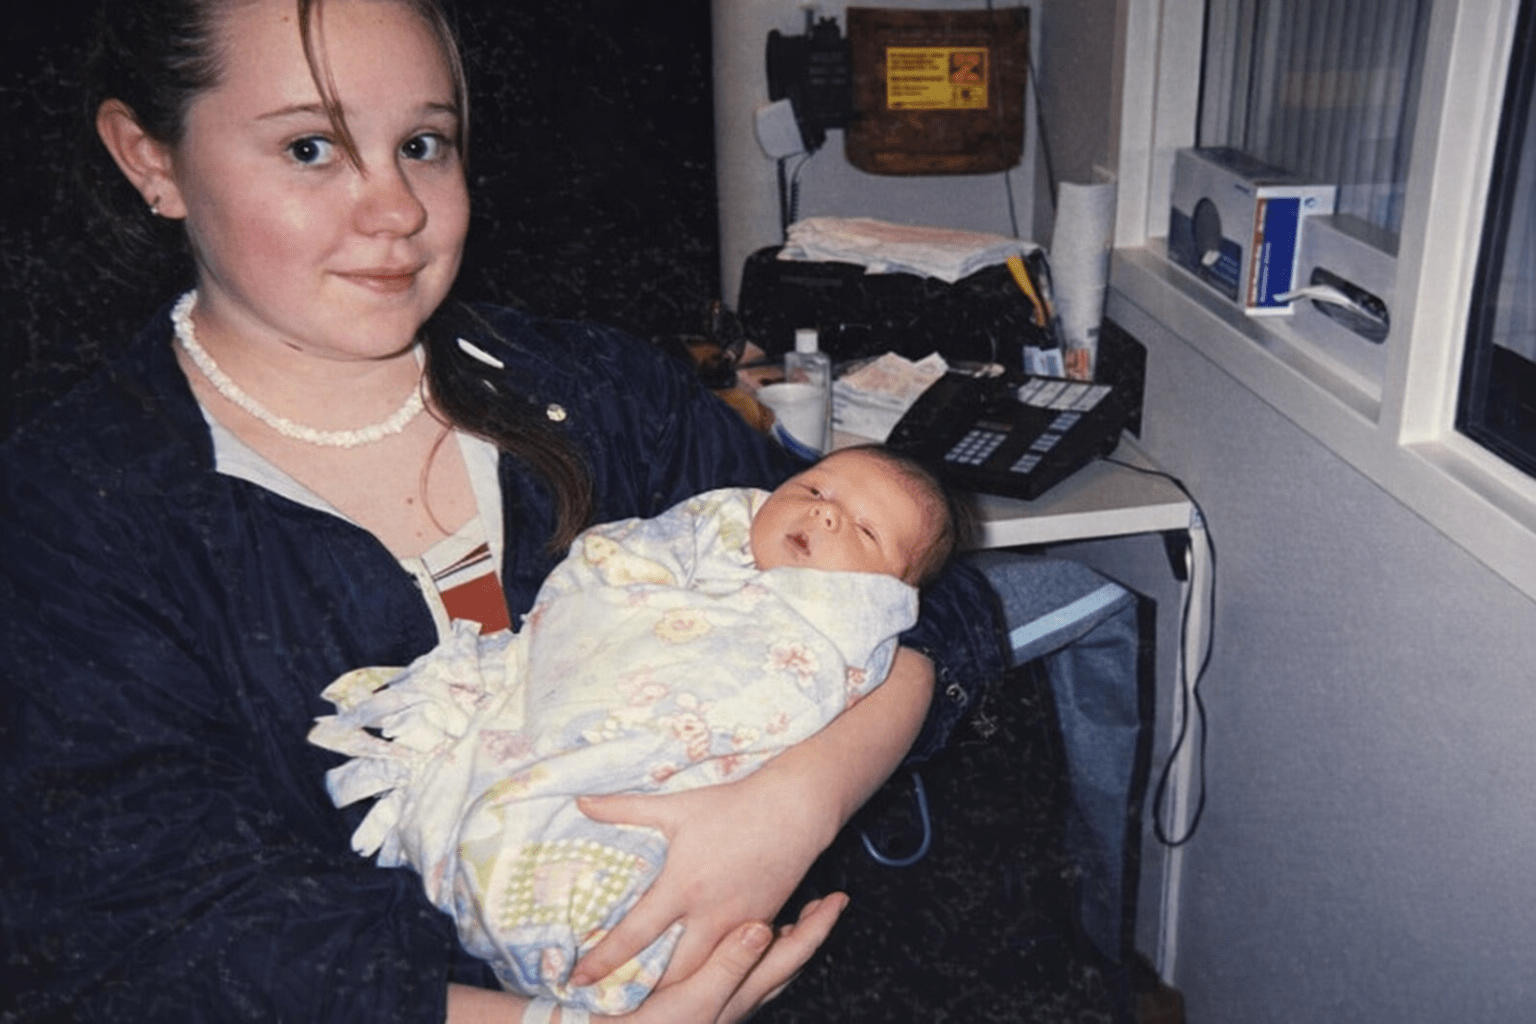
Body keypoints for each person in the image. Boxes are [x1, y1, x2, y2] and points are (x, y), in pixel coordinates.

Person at [0, 2, 1007, 1022]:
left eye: (423, 145)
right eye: (311, 148)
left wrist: (802, 797)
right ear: (151, 159)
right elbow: (151, 927)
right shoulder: (73, 516)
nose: (396, 209)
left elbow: (945, 604)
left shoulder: (601, 393)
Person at [310, 445, 962, 1017]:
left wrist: (806, 793)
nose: (825, 513)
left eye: (866, 532)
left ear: (888, 596)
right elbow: (607, 568)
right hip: (579, 714)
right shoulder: (708, 534)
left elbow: (953, 626)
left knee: (635, 880)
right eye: (814, 490)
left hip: (686, 790)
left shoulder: (848, 635)